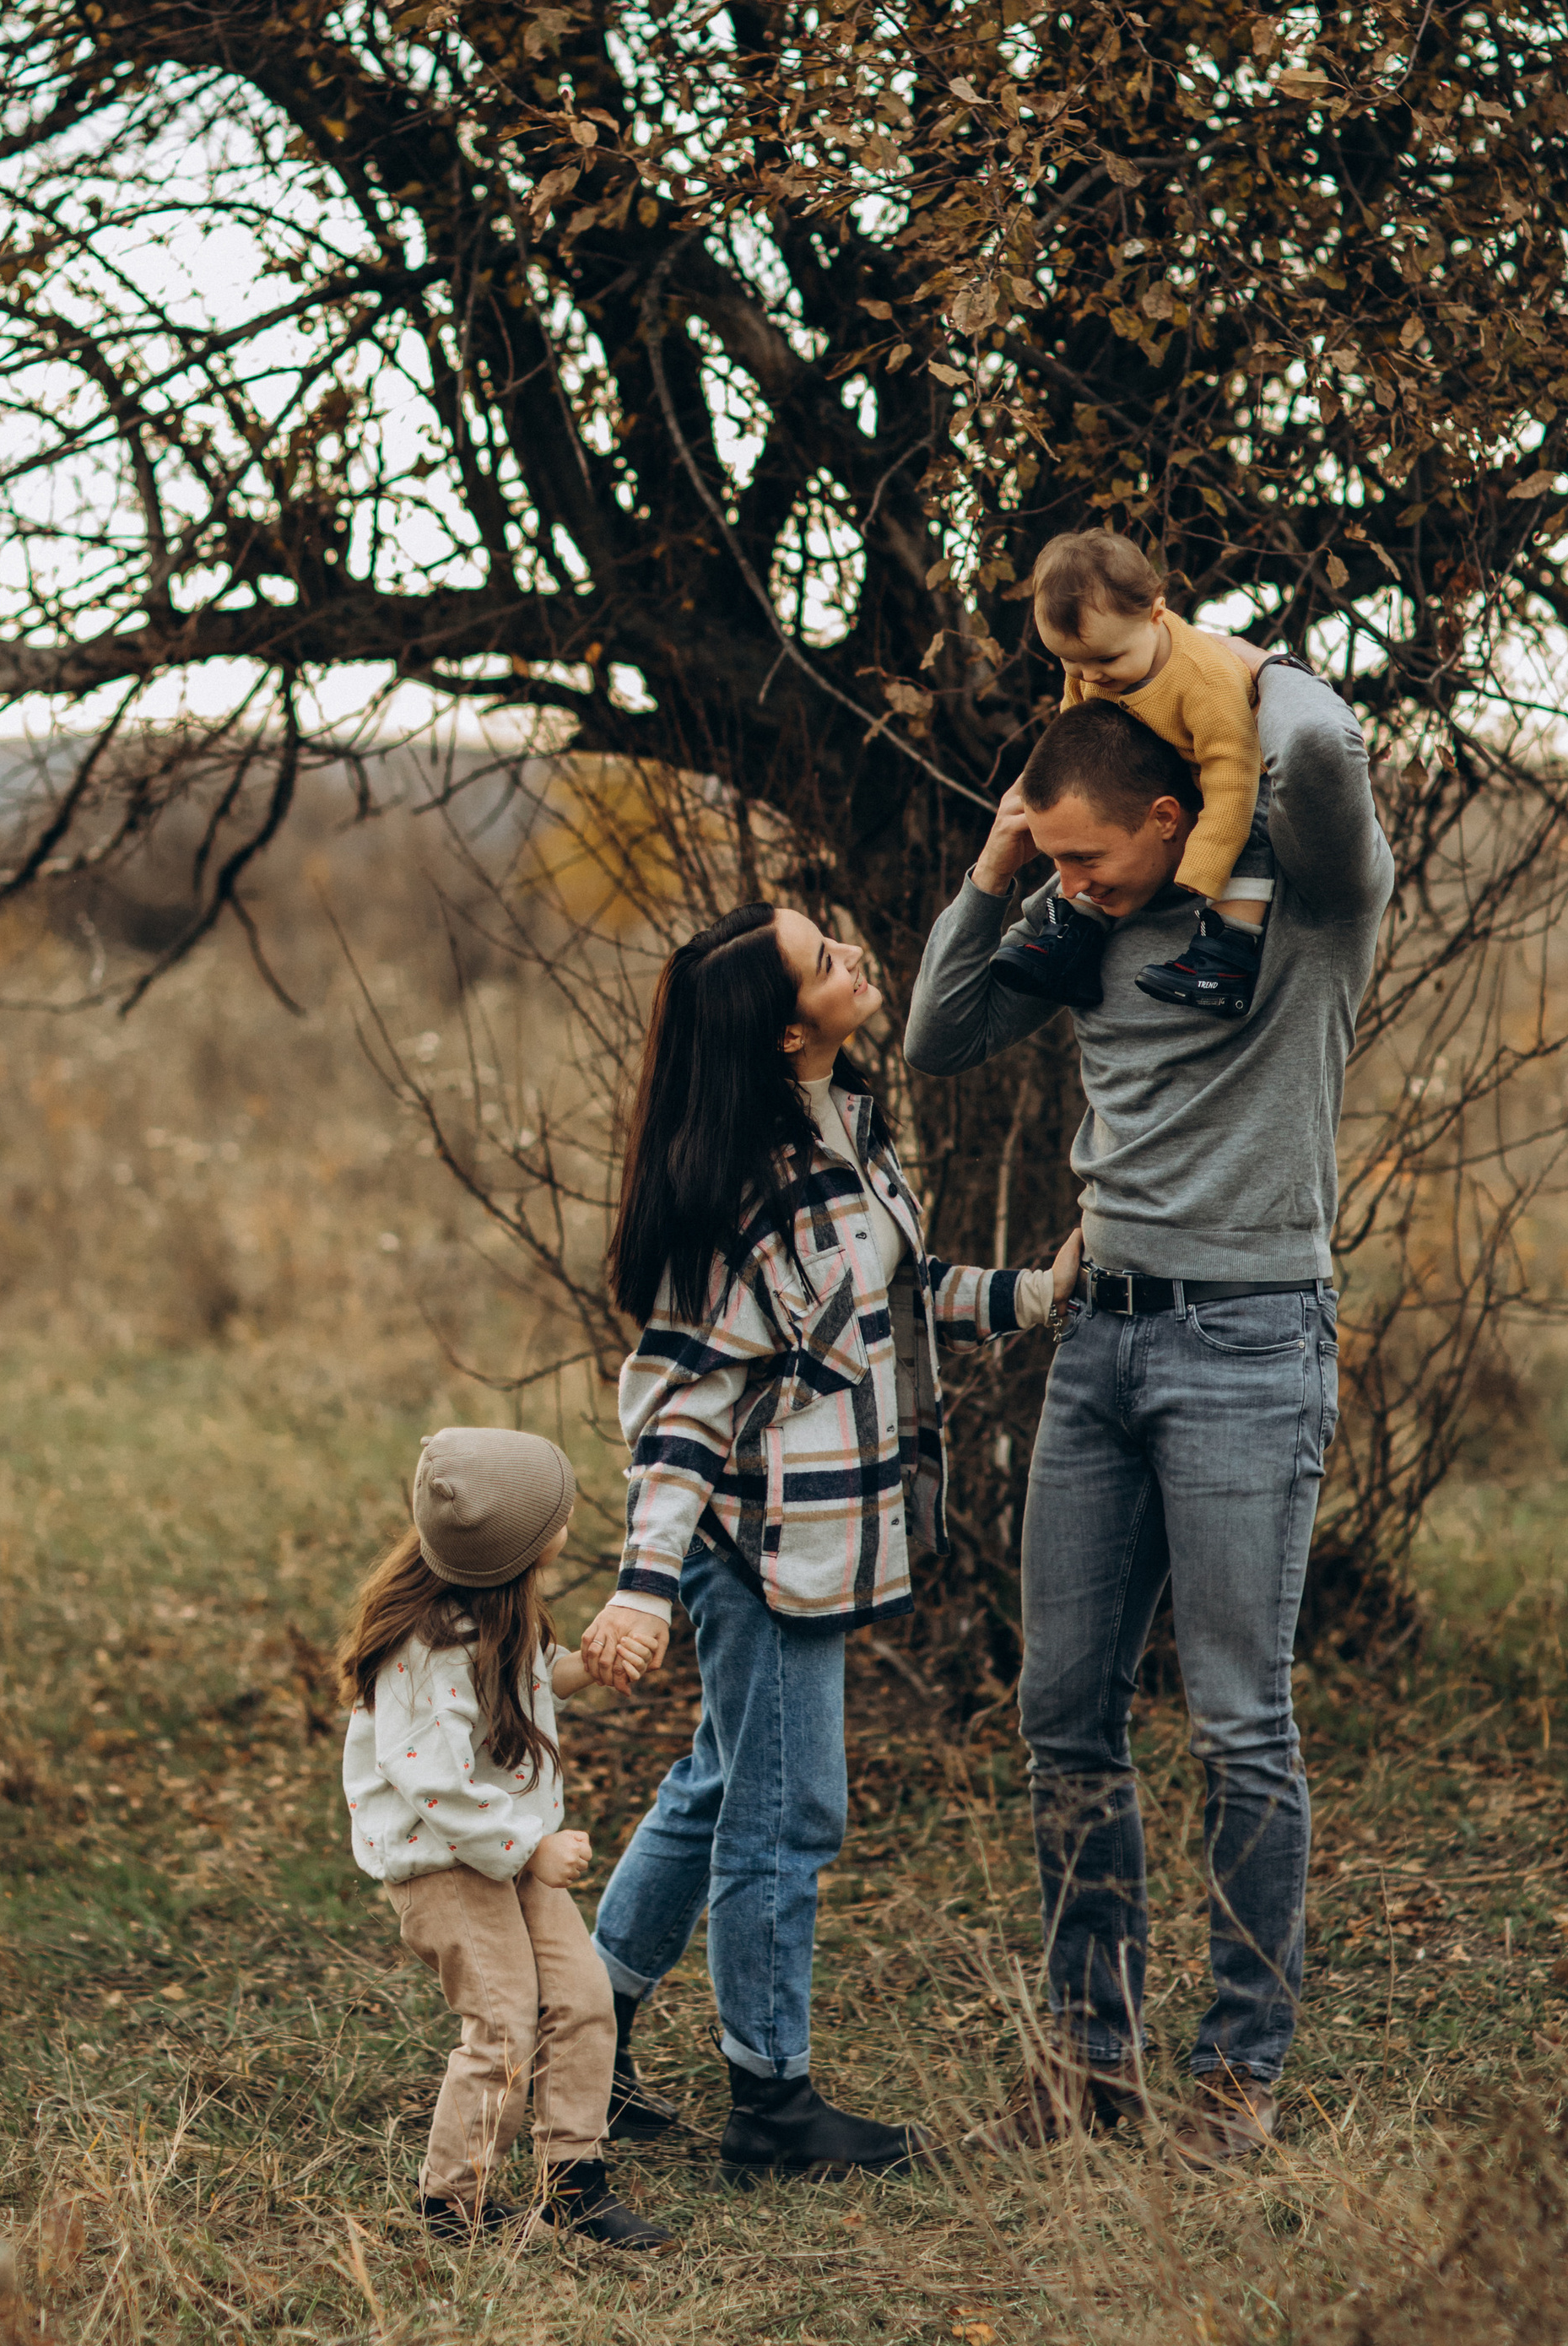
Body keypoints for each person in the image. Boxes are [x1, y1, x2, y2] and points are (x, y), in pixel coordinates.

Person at [904, 653, 1392, 2165]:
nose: (1070, 885)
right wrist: (999, 869)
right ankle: (1091, 2062)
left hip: (1249, 1346)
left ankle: (1236, 2079)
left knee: (1241, 1724)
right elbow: (937, 1031)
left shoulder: (1306, 903)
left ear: (1178, 814)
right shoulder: (1075, 921)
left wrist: (1221, 663)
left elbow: (1321, 749)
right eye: (1048, 860)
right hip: (1101, 1349)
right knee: (1065, 1719)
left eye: (1086, 855)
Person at [576, 900, 1079, 2181]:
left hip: (829, 1536)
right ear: (787, 1025)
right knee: (788, 1815)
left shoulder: (847, 1141)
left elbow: (895, 1302)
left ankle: (574, 2036)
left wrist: (1033, 1294)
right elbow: (679, 1418)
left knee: (716, 1784)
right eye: (828, 959)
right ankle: (771, 2104)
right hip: (761, 1553)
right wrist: (642, 1589)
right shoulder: (744, 1197)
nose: (857, 958)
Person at [338, 1424, 671, 2250]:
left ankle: (575, 2183)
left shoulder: (491, 1605)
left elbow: (525, 1678)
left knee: (584, 2001)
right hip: (444, 1868)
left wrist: (584, 1668)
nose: (567, 1520)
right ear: (518, 1545)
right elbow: (436, 1786)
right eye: (553, 1514)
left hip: (505, 1850)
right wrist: (531, 1849)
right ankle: (452, 2209)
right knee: (503, 2021)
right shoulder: (422, 1653)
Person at [992, 530, 1273, 1019]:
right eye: (1070, 662)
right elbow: (1075, 728)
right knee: (1090, 840)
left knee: (1250, 838)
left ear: (1156, 615)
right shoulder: (1091, 665)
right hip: (1156, 775)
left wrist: (1204, 861)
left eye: (1106, 660)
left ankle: (1227, 954)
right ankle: (1071, 941)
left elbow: (1232, 775)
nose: (1091, 676)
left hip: (1236, 779)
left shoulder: (1202, 679)